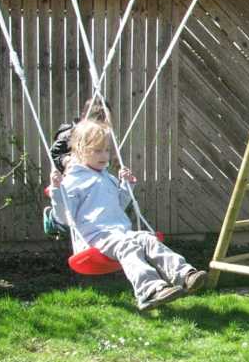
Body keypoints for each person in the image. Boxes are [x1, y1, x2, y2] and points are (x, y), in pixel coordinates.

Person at [49, 119, 207, 311]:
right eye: (97, 151)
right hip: (96, 238)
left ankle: (184, 275)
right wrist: (56, 191)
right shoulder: (72, 181)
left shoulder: (107, 177)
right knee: (128, 245)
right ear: (81, 151)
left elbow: (118, 205)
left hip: (120, 232)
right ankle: (149, 291)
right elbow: (64, 218)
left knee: (148, 239)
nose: (104, 156)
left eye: (107, 150)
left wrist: (126, 186)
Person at [44, 98, 111, 235]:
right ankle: (53, 220)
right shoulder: (70, 133)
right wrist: (66, 160)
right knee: (67, 214)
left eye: (104, 120)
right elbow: (54, 153)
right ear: (84, 116)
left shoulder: (103, 135)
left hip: (90, 181)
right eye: (97, 119)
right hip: (72, 178)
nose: (100, 125)